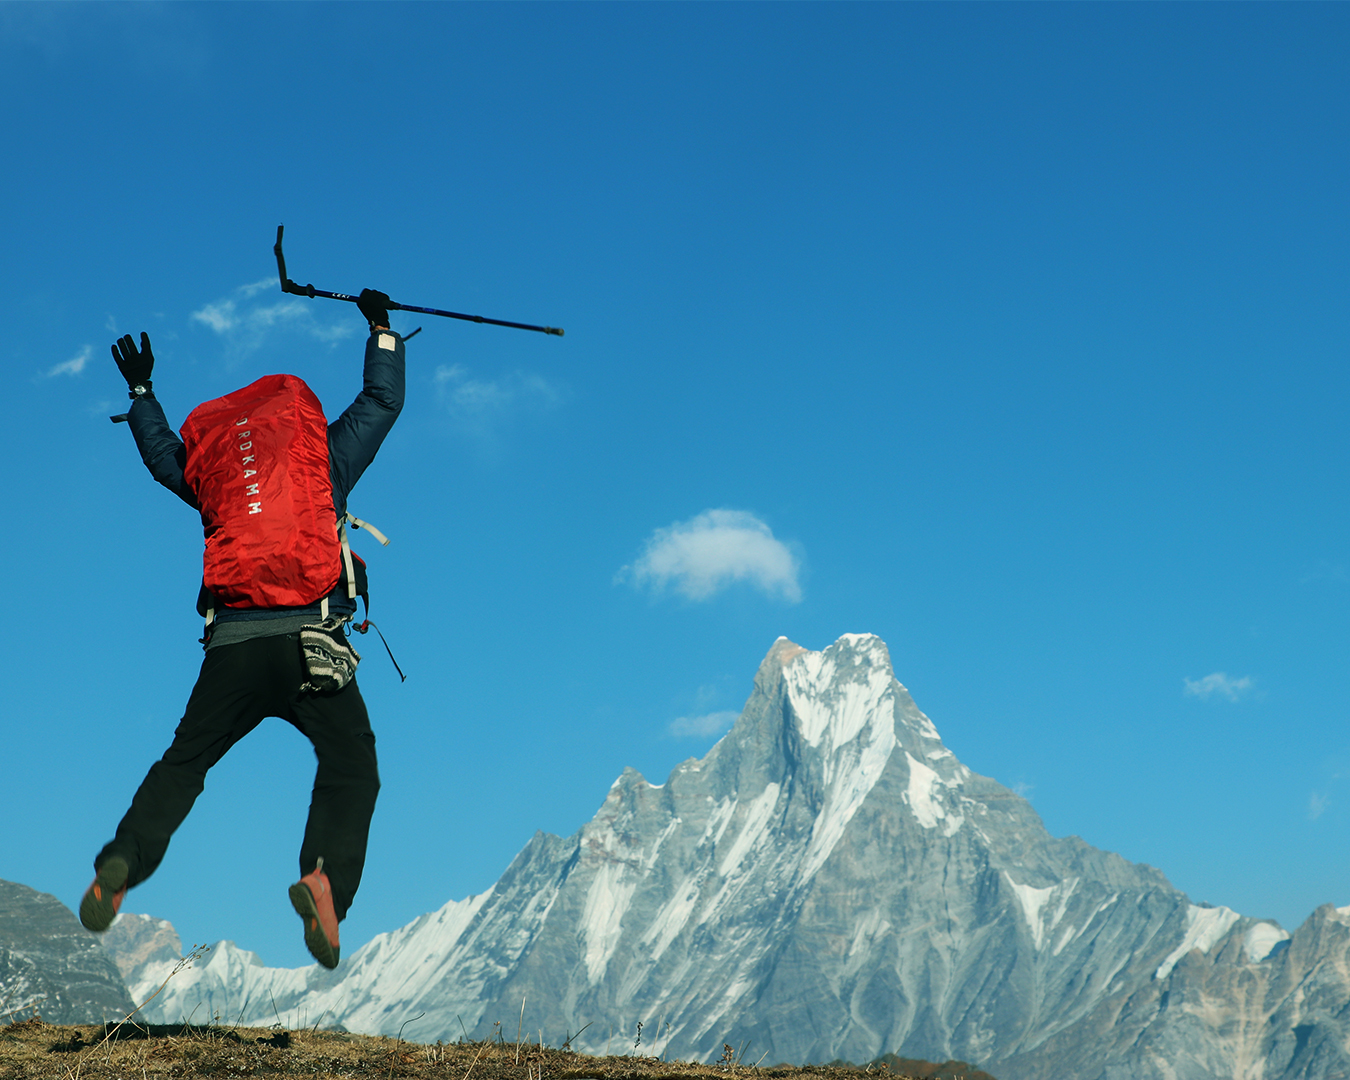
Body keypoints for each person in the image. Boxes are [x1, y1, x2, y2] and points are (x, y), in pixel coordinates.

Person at [79, 290, 405, 970]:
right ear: (299, 423)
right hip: (310, 647)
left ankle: (122, 861)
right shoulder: (324, 460)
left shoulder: (217, 478)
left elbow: (164, 459)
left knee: (185, 765)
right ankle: (325, 882)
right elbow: (382, 401)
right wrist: (380, 329)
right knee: (351, 765)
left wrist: (141, 392)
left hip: (232, 648)